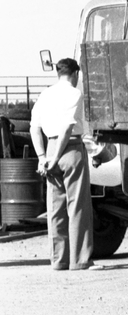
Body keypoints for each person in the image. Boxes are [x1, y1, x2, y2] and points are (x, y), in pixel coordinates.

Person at [30, 58, 94, 270]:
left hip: (49, 149)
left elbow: (34, 128)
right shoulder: (75, 93)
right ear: (75, 73)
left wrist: (43, 157)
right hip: (70, 149)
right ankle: (80, 260)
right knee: (77, 206)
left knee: (55, 208)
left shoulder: (45, 94)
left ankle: (59, 260)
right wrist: (58, 157)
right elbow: (68, 128)